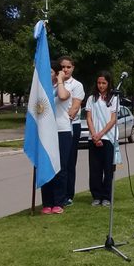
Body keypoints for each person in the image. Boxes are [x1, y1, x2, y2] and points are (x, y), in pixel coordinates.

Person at [40, 61, 71, 214]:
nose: (48, 74)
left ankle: (59, 202)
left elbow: (63, 96)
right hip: (46, 131)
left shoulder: (64, 87)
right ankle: (47, 202)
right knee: (46, 165)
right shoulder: (42, 90)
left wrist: (60, 80)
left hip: (62, 130)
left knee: (61, 168)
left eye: (51, 72)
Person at [85, 71, 118, 207]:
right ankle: (96, 196)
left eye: (104, 83)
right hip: (93, 138)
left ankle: (106, 196)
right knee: (95, 169)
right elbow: (89, 117)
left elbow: (112, 120)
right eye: (99, 83)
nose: (101, 85)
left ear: (109, 84)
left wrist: (101, 134)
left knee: (108, 169)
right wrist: (94, 135)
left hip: (108, 138)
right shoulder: (92, 98)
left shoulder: (113, 99)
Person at [57, 56, 85, 207]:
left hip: (71, 125)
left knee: (68, 162)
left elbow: (74, 108)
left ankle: (68, 194)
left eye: (68, 67)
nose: (65, 70)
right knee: (58, 162)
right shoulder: (55, 82)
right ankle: (56, 194)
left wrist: (63, 118)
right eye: (62, 67)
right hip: (56, 127)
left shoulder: (76, 85)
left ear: (73, 68)